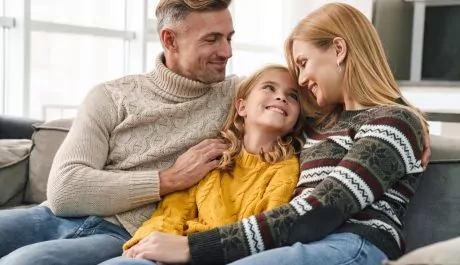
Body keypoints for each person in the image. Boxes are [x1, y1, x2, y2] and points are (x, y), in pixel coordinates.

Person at [0, 1, 430, 265]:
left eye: (230, 37)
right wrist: (169, 183)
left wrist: (411, 120)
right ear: (170, 40)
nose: (226, 51)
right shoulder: (111, 97)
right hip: (60, 217)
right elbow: (64, 189)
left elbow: (321, 202)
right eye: (212, 39)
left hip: (346, 240)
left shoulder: (383, 121)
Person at [108, 64, 305, 264]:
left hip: (213, 255)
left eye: (293, 96)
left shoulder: (286, 169)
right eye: (269, 88)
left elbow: (266, 232)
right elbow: (172, 211)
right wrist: (144, 244)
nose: (281, 97)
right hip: (171, 249)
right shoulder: (213, 156)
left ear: (296, 120)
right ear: (242, 107)